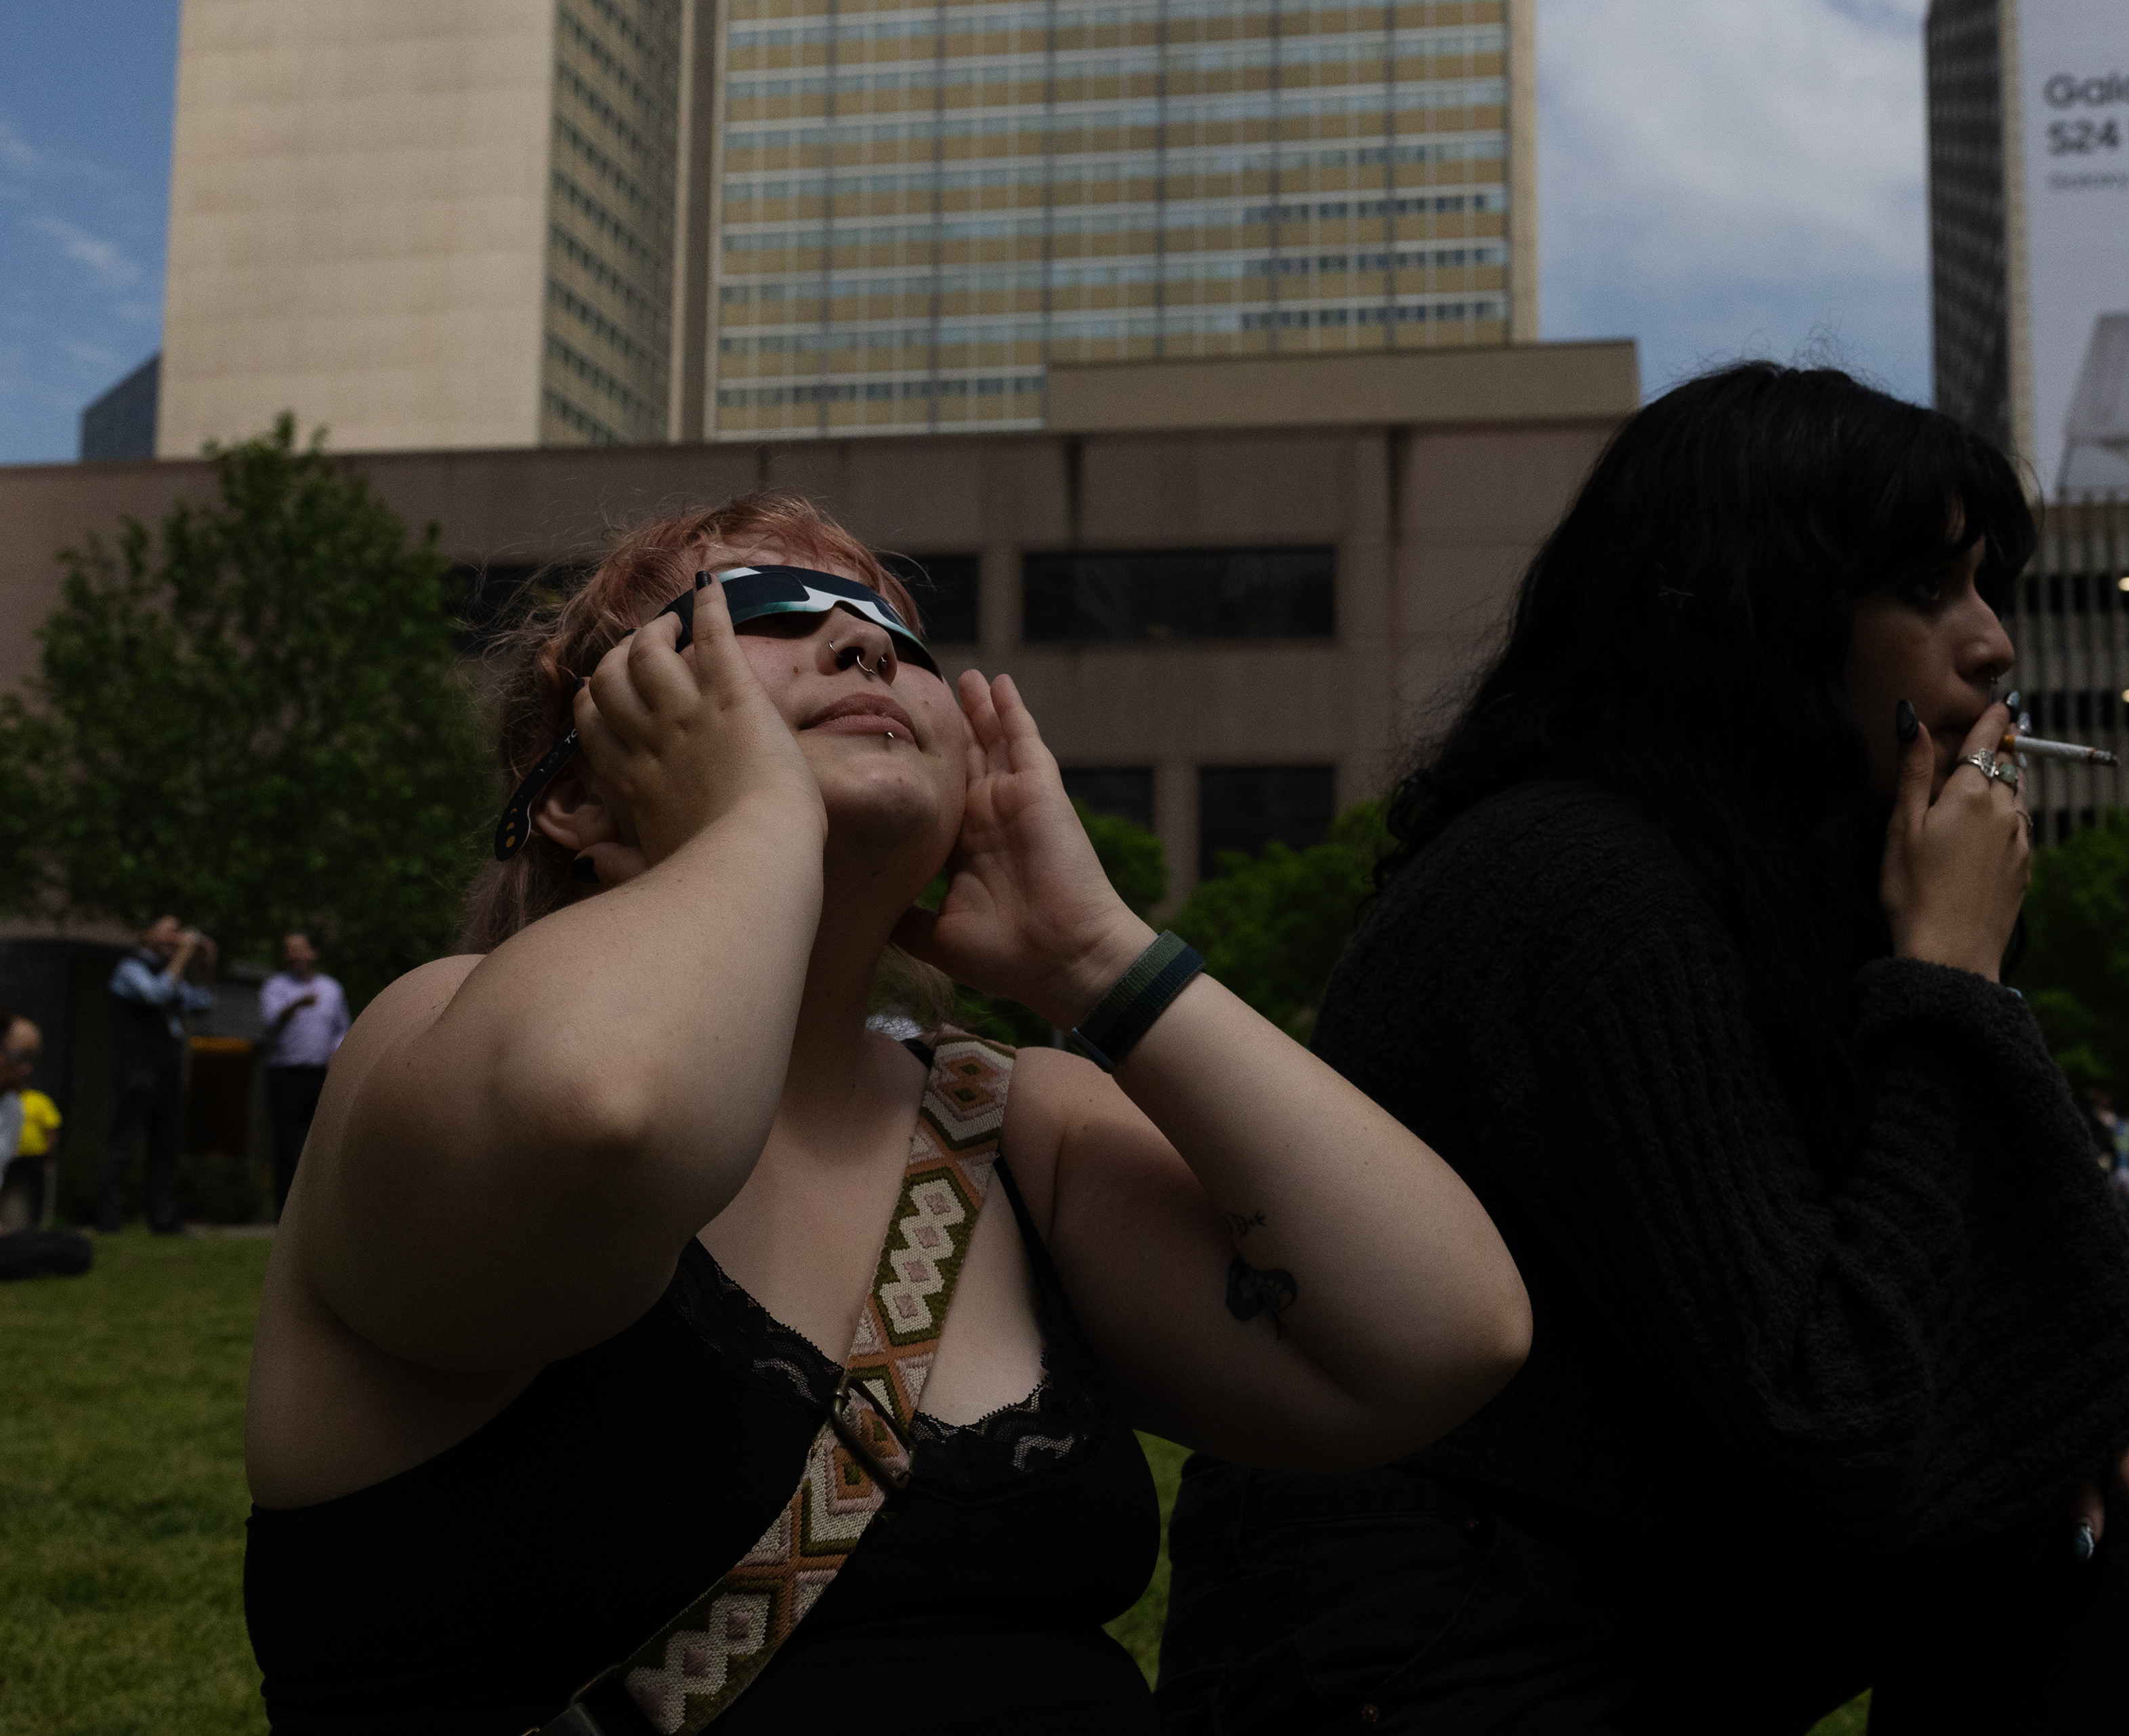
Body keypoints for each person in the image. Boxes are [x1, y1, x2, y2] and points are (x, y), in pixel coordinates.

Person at [240, 493, 1530, 1733]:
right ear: (577, 790)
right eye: (770, 609)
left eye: (898, 640)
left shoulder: (1017, 1123)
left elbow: (1441, 1334)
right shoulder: (431, 1032)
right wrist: (753, 820)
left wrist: (1099, 960)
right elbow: (602, 1105)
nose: (861, 639)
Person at [1155, 364, 2129, 1733]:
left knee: (2089, 1511)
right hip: (1429, 1631)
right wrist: (1950, 978)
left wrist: (2123, 1402)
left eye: (1989, 583)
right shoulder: (1583, 884)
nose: (1995, 642)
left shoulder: (1796, 893)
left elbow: (2028, 1259)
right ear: (1764, 612)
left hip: (1637, 1566)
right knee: (2048, 1491)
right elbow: (1833, 1408)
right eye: (1929, 589)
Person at [104, 915, 214, 1234]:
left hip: (167, 1069)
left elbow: (204, 1003)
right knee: (123, 1144)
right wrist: (183, 956)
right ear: (146, 934)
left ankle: (163, 1218)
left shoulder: (173, 973)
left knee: (165, 1146)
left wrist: (206, 966)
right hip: (137, 1067)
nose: (176, 938)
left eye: (179, 932)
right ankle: (109, 1219)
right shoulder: (129, 969)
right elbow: (157, 994)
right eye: (169, 931)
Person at [258, 932, 350, 1207]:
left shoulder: (332, 989)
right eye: (289, 951)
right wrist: (297, 1003)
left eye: (300, 950)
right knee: (286, 1144)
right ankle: (284, 1212)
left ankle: (318, 1208)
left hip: (320, 1075)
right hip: (285, 1074)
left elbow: (342, 1029)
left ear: (313, 953)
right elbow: (271, 1021)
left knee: (321, 1143)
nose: (295, 955)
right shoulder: (275, 987)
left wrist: (337, 1054)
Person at [0, 1013, 64, 1231]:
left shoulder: (12, 1109)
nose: (27, 1069)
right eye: (19, 1057)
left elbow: (51, 1128)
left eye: (32, 1059)